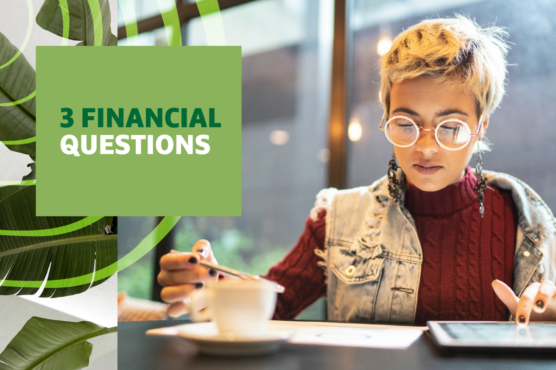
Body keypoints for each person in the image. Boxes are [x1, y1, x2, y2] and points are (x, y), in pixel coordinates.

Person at [157, 15, 556, 325]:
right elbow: (275, 302)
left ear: (480, 126)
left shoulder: (526, 221)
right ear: (385, 118)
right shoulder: (337, 218)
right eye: (406, 123)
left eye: (451, 127)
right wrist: (212, 283)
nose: (426, 146)